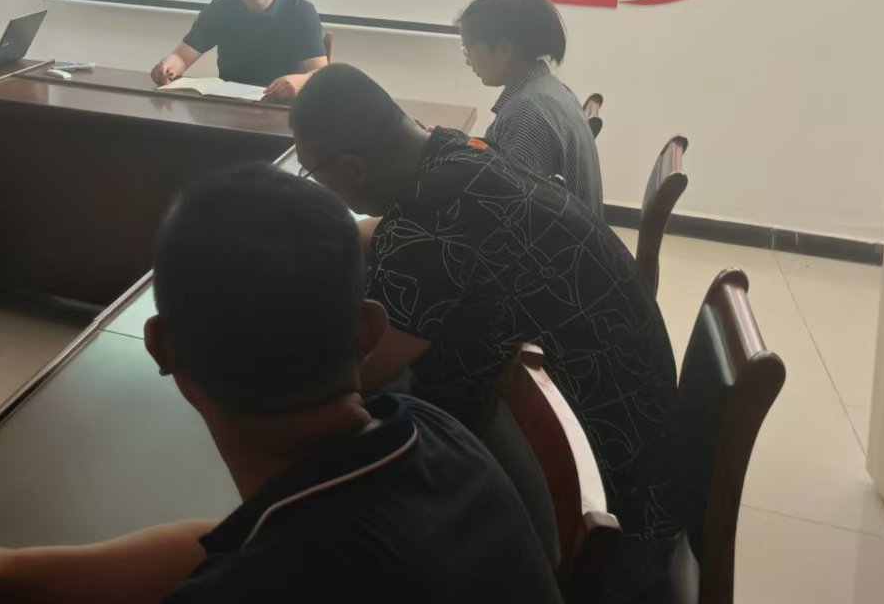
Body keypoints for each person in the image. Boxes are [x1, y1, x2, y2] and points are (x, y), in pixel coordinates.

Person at [0, 167, 558, 604]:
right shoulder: (434, 434)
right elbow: (228, 540)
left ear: (161, 347)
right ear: (367, 333)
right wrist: (6, 570)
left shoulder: (267, 583)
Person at [288, 64, 680, 602]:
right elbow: (407, 234)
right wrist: (325, 233)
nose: (317, 185)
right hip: (644, 455)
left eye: (312, 174)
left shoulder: (430, 220)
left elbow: (354, 378)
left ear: (352, 168)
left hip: (613, 522)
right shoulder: (457, 156)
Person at [458, 0, 604, 212]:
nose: (468, 61)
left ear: (505, 48)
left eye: (469, 49)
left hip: (549, 235)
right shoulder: (549, 89)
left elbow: (508, 212)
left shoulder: (526, 113)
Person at [149, 0, 326, 101]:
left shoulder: (300, 11)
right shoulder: (220, 8)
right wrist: (168, 66)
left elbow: (320, 73)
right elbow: (182, 56)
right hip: (229, 106)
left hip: (281, 107)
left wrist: (300, 81)